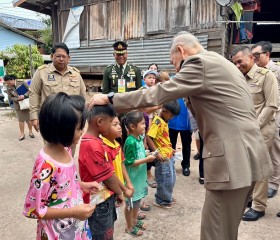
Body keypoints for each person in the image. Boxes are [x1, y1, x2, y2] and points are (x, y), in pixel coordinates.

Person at [89, 31, 272, 240]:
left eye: (173, 63)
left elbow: (158, 93)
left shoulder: (198, 63)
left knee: (215, 232)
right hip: (249, 155)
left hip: (231, 160)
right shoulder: (223, 63)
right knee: (227, 229)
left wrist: (111, 99)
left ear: (181, 51)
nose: (176, 69)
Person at [22, 92, 99, 240]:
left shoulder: (66, 149)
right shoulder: (46, 167)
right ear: (63, 129)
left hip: (74, 227)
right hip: (57, 233)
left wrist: (82, 185)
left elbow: (64, 184)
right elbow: (35, 209)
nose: (82, 131)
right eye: (79, 128)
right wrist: (73, 212)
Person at [232, 46, 278, 221]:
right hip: (243, 132)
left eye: (240, 61)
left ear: (251, 57)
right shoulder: (239, 78)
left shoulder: (267, 76)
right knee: (247, 166)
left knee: (260, 168)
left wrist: (254, 127)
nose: (237, 65)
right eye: (234, 63)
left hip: (262, 130)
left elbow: (272, 105)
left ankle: (259, 206)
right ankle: (249, 198)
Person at [78, 104, 124, 240]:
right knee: (103, 235)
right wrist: (120, 192)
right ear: (99, 122)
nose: (111, 126)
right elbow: (108, 177)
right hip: (99, 203)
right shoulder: (91, 145)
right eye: (110, 122)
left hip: (105, 198)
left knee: (108, 233)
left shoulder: (96, 141)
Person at [29, 42, 86, 133]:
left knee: (70, 146)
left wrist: (83, 117)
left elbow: (82, 96)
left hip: (71, 119)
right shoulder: (42, 72)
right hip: (50, 118)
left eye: (64, 56)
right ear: (52, 56)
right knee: (52, 145)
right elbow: (34, 93)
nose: (61, 59)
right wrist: (34, 116)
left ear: (68, 58)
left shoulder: (76, 74)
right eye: (58, 56)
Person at [251, 41, 280, 200]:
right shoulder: (254, 71)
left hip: (275, 114)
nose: (254, 58)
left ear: (267, 54)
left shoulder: (276, 70)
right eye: (252, 55)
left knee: (274, 149)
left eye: (257, 55)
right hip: (258, 114)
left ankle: (273, 184)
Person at [122, 111, 156, 237]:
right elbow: (130, 162)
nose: (145, 126)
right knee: (131, 205)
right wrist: (147, 160)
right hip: (133, 179)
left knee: (136, 203)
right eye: (142, 124)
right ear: (132, 126)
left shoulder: (139, 138)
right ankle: (129, 226)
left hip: (139, 178)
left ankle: (134, 221)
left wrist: (147, 154)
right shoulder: (130, 142)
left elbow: (139, 154)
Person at [146, 101, 180, 208]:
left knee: (171, 178)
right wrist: (157, 153)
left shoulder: (164, 121)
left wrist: (170, 148)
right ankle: (161, 200)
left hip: (168, 154)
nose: (171, 118)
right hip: (162, 157)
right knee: (164, 178)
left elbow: (163, 138)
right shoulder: (157, 121)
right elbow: (149, 137)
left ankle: (167, 196)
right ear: (164, 111)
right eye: (170, 115)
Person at [101, 116, 134, 198]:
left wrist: (128, 182)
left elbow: (122, 163)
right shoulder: (103, 147)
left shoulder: (117, 145)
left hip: (119, 187)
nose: (119, 127)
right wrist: (123, 190)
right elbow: (110, 174)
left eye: (119, 124)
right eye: (115, 125)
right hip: (111, 190)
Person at [4, 75, 34, 141]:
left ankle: (31, 132)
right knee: (21, 120)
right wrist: (17, 99)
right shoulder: (8, 88)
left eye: (9, 83)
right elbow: (10, 97)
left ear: (12, 80)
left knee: (28, 119)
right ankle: (22, 134)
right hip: (18, 105)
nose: (8, 84)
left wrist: (24, 95)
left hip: (26, 103)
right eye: (7, 83)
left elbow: (30, 90)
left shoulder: (21, 82)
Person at [168, 98, 192, 177]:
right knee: (170, 145)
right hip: (172, 120)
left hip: (186, 122)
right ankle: (170, 164)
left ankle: (186, 165)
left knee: (186, 146)